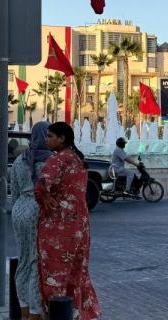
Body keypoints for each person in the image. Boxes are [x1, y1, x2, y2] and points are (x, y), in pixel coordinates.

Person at [35, 121, 101, 320]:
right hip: (80, 224)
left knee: (54, 271)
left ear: (62, 138)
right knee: (77, 269)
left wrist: (48, 203)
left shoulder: (57, 161)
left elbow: (41, 187)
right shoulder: (77, 159)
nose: (47, 140)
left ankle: (55, 314)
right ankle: (77, 313)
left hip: (59, 225)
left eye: (50, 136)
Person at [10, 122, 50, 320]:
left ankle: (23, 308)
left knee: (23, 259)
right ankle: (35, 312)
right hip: (37, 210)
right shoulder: (50, 160)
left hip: (19, 210)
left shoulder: (20, 160)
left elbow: (14, 192)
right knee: (36, 261)